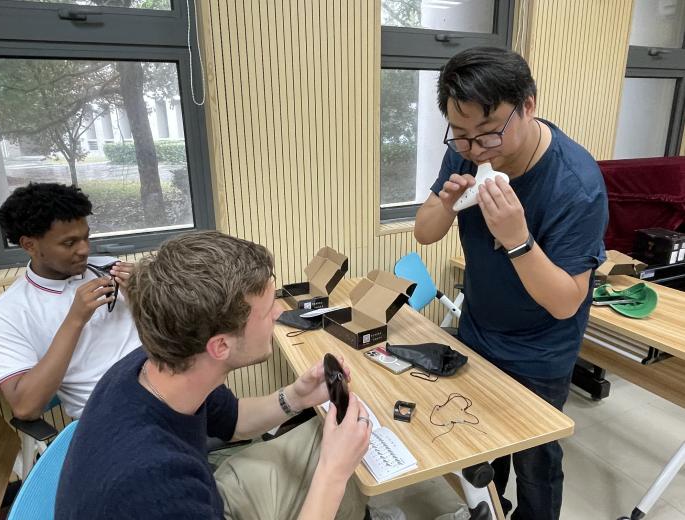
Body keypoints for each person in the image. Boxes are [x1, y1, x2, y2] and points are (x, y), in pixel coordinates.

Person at [56, 230, 387, 520]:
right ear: (220, 346)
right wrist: (333, 473)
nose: (278, 313)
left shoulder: (160, 360)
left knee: (324, 434)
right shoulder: (157, 485)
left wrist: (296, 397)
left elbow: (234, 420)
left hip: (207, 494)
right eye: (268, 310)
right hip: (189, 500)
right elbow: (167, 492)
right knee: (337, 469)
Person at [414, 47, 608, 520]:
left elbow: (566, 302)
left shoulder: (575, 185)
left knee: (536, 460)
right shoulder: (465, 151)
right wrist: (447, 203)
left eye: (488, 132)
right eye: (461, 134)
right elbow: (424, 232)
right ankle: (489, 511)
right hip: (479, 329)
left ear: (528, 106)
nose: (477, 149)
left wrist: (518, 240)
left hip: (541, 350)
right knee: (481, 445)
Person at [0, 182, 140, 420]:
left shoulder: (110, 268)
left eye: (86, 237)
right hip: (113, 417)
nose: (84, 250)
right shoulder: (6, 314)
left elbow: (171, 341)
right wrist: (75, 320)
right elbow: (25, 408)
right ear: (29, 245)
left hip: (176, 390)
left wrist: (143, 299)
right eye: (69, 243)